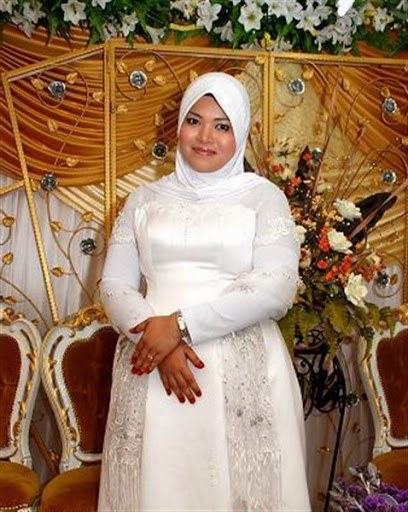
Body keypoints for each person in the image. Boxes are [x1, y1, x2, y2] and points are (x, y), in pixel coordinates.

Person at [98, 72, 310, 512]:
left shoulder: (262, 197)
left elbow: (277, 286)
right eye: (194, 121)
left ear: (240, 133)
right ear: (178, 125)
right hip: (150, 363)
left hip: (240, 364)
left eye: (222, 125)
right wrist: (155, 340)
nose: (205, 137)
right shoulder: (143, 199)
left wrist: (179, 327)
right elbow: (114, 284)